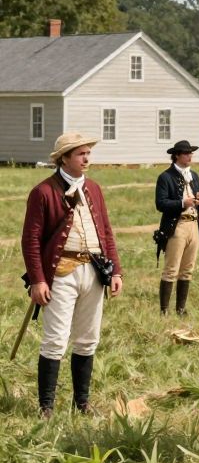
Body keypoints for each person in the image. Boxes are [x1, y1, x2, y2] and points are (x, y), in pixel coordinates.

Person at [21, 132, 123, 418]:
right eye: (80, 153)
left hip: (93, 270)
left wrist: (115, 270)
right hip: (61, 273)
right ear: (64, 158)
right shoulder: (43, 192)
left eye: (88, 152)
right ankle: (47, 407)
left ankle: (82, 403)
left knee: (88, 338)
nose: (87, 158)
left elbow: (106, 233)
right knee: (55, 339)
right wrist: (38, 279)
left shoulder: (94, 189)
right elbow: (31, 240)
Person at [155, 140, 199, 315]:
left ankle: (181, 309)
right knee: (171, 269)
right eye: (186, 153)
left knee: (187, 269)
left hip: (194, 224)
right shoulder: (165, 177)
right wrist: (182, 203)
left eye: (191, 153)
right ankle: (164, 310)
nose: (190, 156)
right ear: (177, 155)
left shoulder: (194, 176)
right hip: (177, 226)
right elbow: (161, 203)